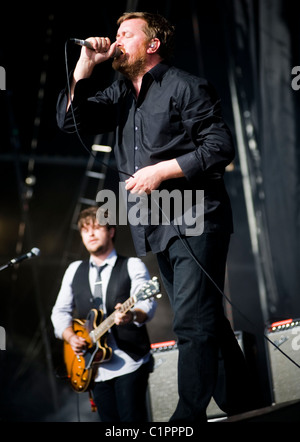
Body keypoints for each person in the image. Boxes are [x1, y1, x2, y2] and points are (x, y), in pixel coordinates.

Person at [57, 12, 255, 422]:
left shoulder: (186, 85)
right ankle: (245, 399)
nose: (116, 40)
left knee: (190, 320)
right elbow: (69, 121)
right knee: (206, 319)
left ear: (152, 45)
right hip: (158, 226)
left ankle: (188, 416)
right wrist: (82, 69)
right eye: (116, 34)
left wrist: (162, 169)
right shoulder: (119, 94)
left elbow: (219, 147)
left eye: (126, 34)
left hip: (197, 218)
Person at [51, 206, 157, 422]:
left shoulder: (132, 265)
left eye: (97, 227)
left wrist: (132, 316)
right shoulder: (74, 270)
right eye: (84, 230)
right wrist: (71, 337)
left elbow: (147, 303)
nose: (90, 234)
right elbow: (59, 312)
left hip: (129, 361)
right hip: (94, 369)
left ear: (111, 231)